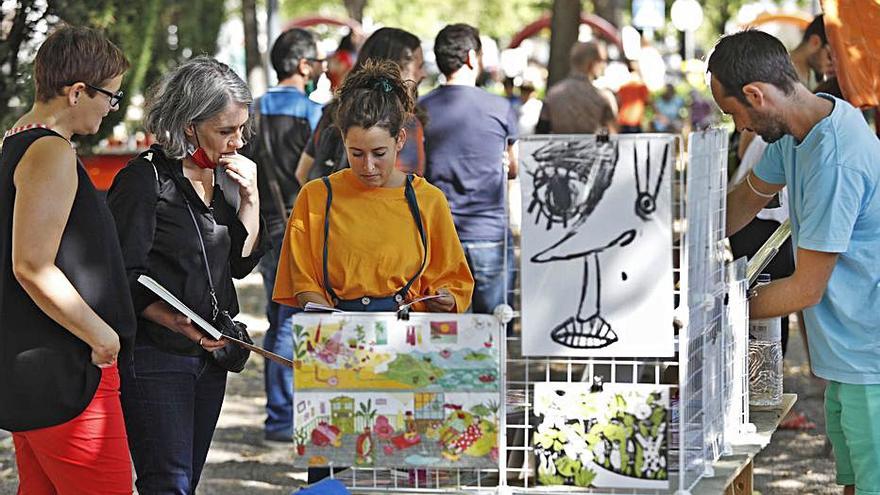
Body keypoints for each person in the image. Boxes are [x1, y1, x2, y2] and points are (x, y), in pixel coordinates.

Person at [710, 30, 880, 494]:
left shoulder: (835, 158)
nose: (740, 127)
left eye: (734, 114)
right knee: (852, 481)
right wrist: (678, 238)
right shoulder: (798, 131)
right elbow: (746, 200)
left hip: (870, 358)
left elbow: (805, 289)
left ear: (755, 95)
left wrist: (713, 310)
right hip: (850, 355)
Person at [107, 56, 267, 493]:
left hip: (210, 356)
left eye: (242, 130)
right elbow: (123, 276)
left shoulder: (222, 175)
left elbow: (239, 263)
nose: (238, 142)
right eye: (226, 131)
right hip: (158, 357)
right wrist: (182, 324)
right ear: (189, 125)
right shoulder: (144, 181)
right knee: (168, 484)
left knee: (186, 481)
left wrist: (251, 200)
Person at [0, 25, 135, 493]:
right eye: (110, 97)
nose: (111, 108)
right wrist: (103, 337)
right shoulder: (49, 151)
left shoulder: (16, 142)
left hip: (39, 371)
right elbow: (31, 265)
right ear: (77, 91)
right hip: (67, 375)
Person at [275, 58, 473, 315]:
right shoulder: (316, 197)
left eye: (379, 153)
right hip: (336, 337)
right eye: (356, 153)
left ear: (399, 139)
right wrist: (338, 328)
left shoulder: (429, 200)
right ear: (343, 139)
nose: (368, 166)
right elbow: (304, 283)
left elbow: (453, 280)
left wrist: (446, 298)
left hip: (407, 341)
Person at [240, 27, 324, 443]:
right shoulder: (314, 114)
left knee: (279, 319)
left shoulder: (251, 111)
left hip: (267, 228)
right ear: (305, 66)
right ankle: (302, 414)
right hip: (306, 228)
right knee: (302, 319)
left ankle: (278, 416)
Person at [421, 23, 518, 314]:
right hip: (489, 231)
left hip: (440, 235)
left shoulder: (420, 109)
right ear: (472, 58)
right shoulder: (500, 108)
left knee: (446, 332)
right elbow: (515, 167)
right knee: (495, 327)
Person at [295, 27, 427, 182]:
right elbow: (407, 189)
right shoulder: (407, 123)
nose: (423, 74)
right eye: (419, 66)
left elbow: (302, 173)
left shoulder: (335, 110)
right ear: (397, 68)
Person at [536, 41, 616, 134]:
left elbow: (541, 132)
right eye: (602, 61)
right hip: (592, 148)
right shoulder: (603, 97)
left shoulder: (553, 94)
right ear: (591, 64)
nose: (604, 66)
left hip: (560, 148)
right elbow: (612, 136)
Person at [616, 61, 651, 133]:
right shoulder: (642, 87)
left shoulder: (623, 87)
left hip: (623, 122)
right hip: (635, 122)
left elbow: (618, 103)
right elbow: (648, 102)